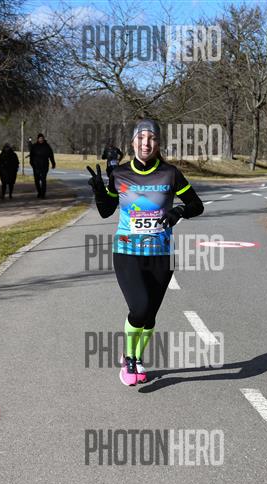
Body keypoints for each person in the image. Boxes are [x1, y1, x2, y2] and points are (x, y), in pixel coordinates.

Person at [86, 118, 204, 386]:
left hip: (161, 254)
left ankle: (138, 358)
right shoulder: (120, 174)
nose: (146, 143)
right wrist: (99, 191)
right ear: (133, 142)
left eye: (151, 138)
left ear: (158, 143)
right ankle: (128, 358)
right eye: (141, 138)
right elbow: (106, 211)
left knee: (150, 315)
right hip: (127, 252)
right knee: (139, 308)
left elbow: (196, 205)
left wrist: (178, 211)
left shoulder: (170, 174)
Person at [29, 133, 56, 198]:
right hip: (36, 166)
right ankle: (39, 192)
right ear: (38, 139)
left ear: (43, 139)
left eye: (42, 138)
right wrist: (32, 163)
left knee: (43, 180)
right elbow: (31, 156)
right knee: (36, 181)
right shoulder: (34, 146)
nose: (41, 139)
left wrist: (53, 163)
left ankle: (43, 194)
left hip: (44, 166)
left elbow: (51, 155)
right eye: (40, 138)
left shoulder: (47, 146)